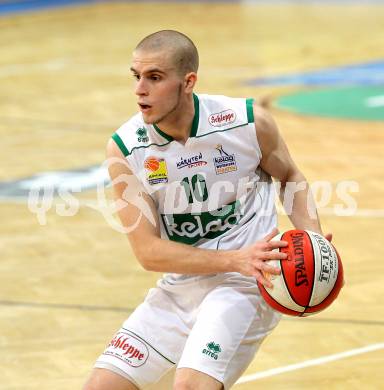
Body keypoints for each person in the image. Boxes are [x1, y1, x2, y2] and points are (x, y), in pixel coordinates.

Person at [83, 30, 327, 390]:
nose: (139, 90)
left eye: (154, 77)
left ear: (188, 82)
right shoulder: (125, 148)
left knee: (190, 386)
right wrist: (234, 258)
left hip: (248, 283)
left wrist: (313, 239)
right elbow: (148, 252)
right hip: (180, 287)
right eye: (136, 76)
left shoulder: (246, 123)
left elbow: (290, 175)